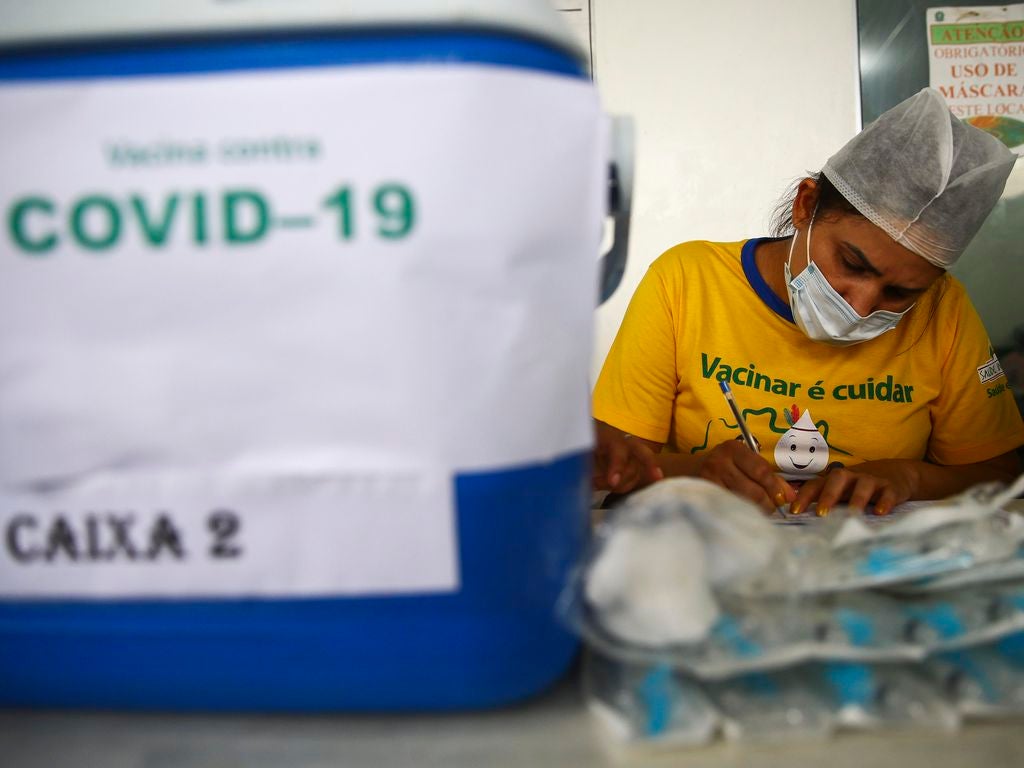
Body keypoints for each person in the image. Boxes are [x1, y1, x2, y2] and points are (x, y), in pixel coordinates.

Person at [592, 88, 1023, 515]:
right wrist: (693, 473)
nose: (860, 306)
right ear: (806, 205)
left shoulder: (942, 309)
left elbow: (1002, 472)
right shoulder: (687, 281)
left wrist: (909, 477)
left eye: (900, 293)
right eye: (853, 263)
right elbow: (608, 471)